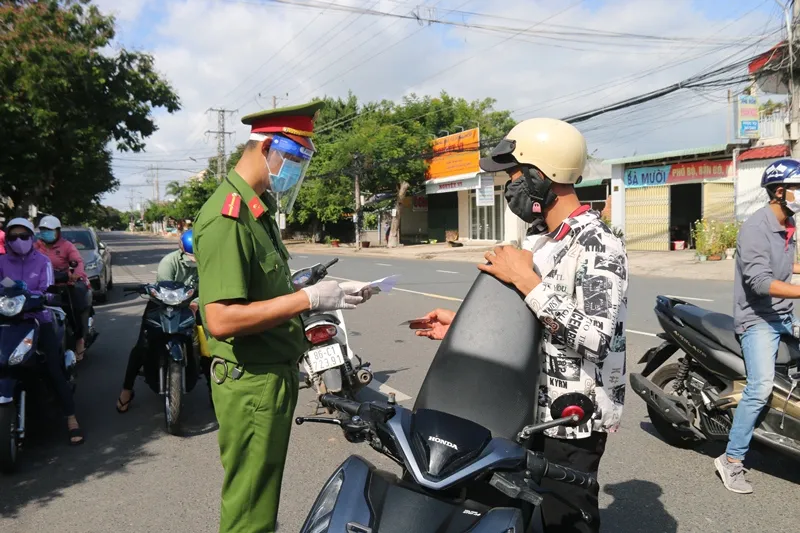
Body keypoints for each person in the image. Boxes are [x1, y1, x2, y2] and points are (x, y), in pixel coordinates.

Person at [413, 118, 628, 533]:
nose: (508, 186)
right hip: (525, 405)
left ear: (540, 175)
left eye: (513, 175)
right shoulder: (541, 237)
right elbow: (538, 317)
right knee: (512, 511)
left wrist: (526, 280)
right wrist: (467, 326)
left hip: (570, 420)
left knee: (564, 519)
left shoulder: (598, 243)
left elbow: (596, 338)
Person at [194, 101, 372, 533]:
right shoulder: (227, 217)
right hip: (251, 381)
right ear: (265, 147)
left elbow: (266, 291)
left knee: (262, 497)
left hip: (270, 377)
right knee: (250, 510)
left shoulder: (257, 210)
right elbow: (220, 319)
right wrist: (307, 300)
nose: (294, 170)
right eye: (292, 158)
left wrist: (326, 294)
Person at [716, 158, 800, 494]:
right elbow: (761, 281)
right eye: (797, 189)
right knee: (760, 386)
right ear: (779, 192)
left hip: (783, 314)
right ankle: (732, 460)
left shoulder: (788, 224)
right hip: (758, 319)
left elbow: (782, 264)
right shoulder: (755, 227)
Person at [0, 218, 84, 445]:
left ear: (32, 237)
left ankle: (71, 418)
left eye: (24, 236)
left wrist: (40, 297)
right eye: (14, 237)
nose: (19, 241)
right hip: (6, 321)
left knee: (52, 369)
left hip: (38, 320)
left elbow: (48, 289)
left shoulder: (43, 262)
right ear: (7, 239)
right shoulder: (1, 262)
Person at [115, 230, 199, 413]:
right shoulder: (169, 263)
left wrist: (196, 304)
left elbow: (209, 288)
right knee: (142, 346)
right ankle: (126, 390)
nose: (194, 262)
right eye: (190, 257)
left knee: (208, 342)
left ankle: (214, 392)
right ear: (181, 250)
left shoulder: (207, 262)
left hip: (191, 306)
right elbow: (164, 290)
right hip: (162, 303)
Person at [35, 215, 92, 362]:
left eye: (49, 230)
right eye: (43, 230)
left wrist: (76, 275)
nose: (45, 233)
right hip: (41, 287)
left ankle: (80, 340)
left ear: (57, 231)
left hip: (63, 286)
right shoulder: (36, 247)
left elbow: (78, 262)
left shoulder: (66, 246)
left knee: (74, 310)